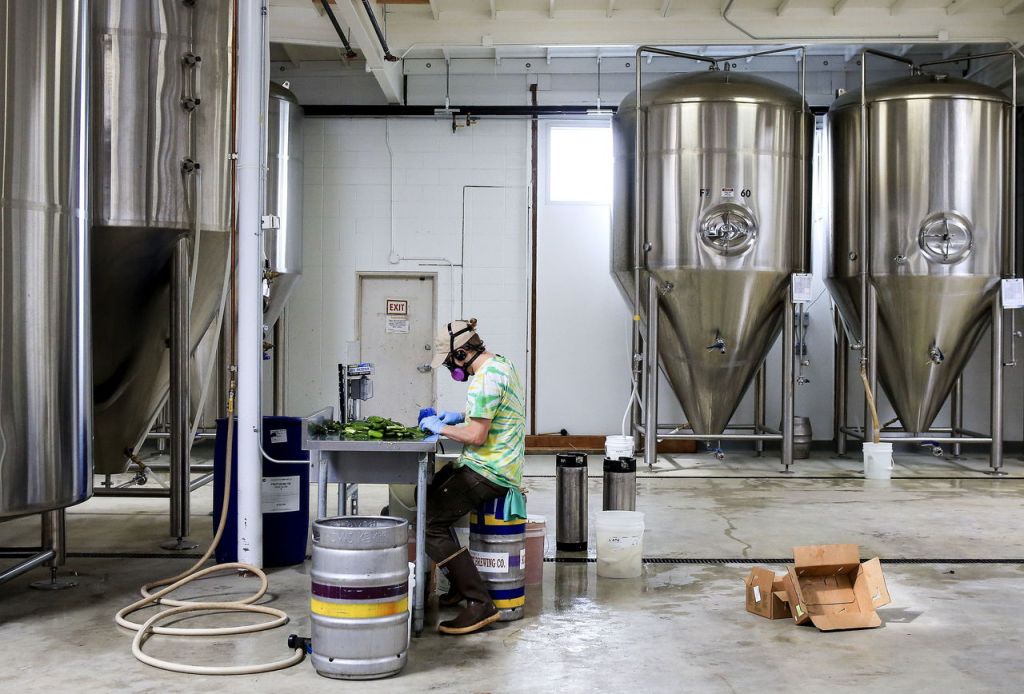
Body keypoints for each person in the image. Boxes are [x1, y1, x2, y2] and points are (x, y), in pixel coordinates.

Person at [418, 318, 526, 635]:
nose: (453, 367)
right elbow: (487, 415)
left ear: (463, 353)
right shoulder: (500, 366)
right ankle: (457, 582)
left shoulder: (483, 380)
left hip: (489, 469)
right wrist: (457, 417)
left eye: (451, 360)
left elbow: (477, 435)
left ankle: (479, 603)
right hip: (498, 463)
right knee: (428, 493)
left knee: (428, 521)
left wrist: (442, 428)